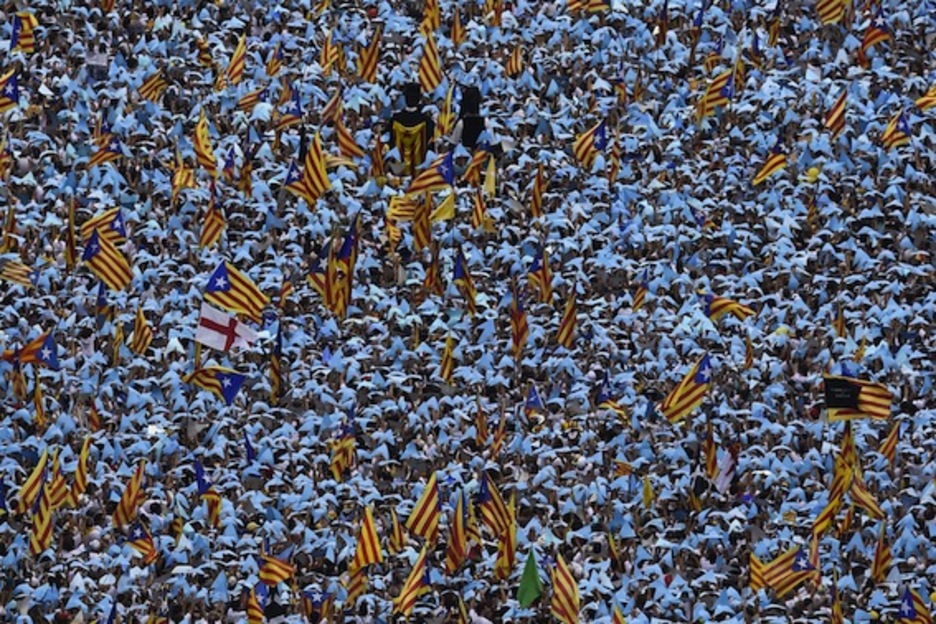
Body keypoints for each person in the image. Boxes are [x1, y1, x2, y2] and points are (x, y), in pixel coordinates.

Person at [389, 82, 435, 176]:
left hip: (399, 169)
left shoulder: (395, 119)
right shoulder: (426, 121)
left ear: (405, 99)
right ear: (419, 99)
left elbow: (390, 141)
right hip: (419, 169)